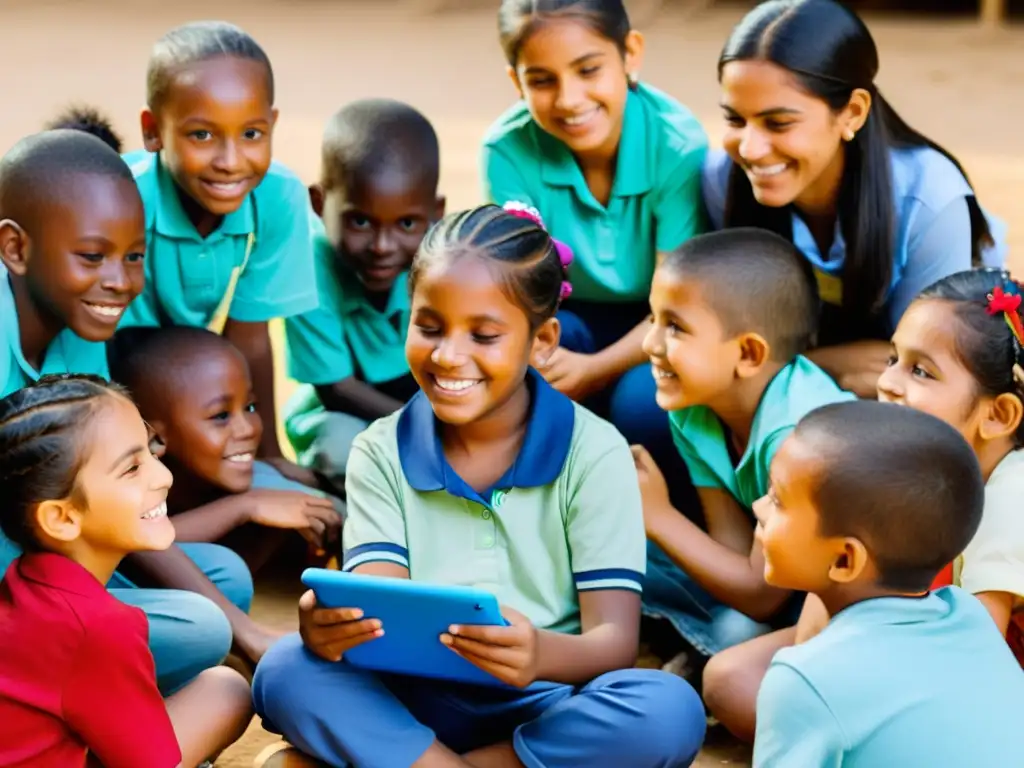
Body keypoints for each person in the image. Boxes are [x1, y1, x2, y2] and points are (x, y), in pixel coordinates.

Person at [251, 204, 706, 768]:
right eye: (429, 327)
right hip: (409, 701)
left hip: (541, 703)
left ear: (542, 342)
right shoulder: (380, 449)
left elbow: (612, 643)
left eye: (484, 334)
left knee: (668, 709)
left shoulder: (595, 452)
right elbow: (380, 611)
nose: (448, 355)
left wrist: (538, 653)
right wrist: (333, 630)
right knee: (286, 668)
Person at [0, 128, 250, 694]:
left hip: (47, 565)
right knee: (203, 626)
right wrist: (242, 635)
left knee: (223, 582)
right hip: (19, 587)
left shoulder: (80, 326)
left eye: (133, 256)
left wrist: (247, 629)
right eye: (92, 256)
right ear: (16, 248)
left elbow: (116, 495)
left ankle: (82, 689)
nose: (119, 282)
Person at [704, 0, 1007, 397]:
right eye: (735, 119)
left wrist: (800, 366)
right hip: (800, 355)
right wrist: (825, 364)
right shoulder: (721, 179)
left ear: (852, 112)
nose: (751, 148)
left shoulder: (929, 204)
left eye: (778, 123)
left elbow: (930, 370)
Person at [482, 0, 707, 487]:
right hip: (564, 317)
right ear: (516, 82)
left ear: (630, 55)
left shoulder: (678, 147)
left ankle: (666, 533)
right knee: (522, 374)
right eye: (541, 80)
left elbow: (678, 305)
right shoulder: (506, 150)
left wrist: (595, 371)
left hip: (663, 322)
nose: (569, 98)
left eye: (588, 70)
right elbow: (522, 288)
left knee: (644, 406)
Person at [752, 400, 1024, 766]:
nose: (758, 507)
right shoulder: (973, 621)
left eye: (777, 500)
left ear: (845, 559)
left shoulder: (804, 681)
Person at [0, 375, 252, 768]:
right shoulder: (101, 626)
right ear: (62, 518)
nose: (164, 476)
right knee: (228, 690)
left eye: (151, 452)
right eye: (132, 468)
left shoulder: (22, 580)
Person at [634, 228, 854, 675]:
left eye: (674, 326)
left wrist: (657, 516)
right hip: (769, 577)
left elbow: (761, 594)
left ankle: (705, 649)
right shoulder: (694, 408)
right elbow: (730, 552)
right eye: (652, 319)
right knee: (604, 541)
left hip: (829, 603)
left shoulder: (799, 436)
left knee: (738, 631)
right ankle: (703, 644)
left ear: (749, 353)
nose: (649, 344)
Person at [120, 20, 318, 485]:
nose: (230, 161)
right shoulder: (120, 197)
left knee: (298, 504)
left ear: (272, 125)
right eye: (202, 136)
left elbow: (249, 335)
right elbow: (93, 340)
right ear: (153, 132)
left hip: (190, 388)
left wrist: (270, 453)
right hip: (108, 368)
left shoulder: (278, 197)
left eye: (251, 134)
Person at [283, 99, 444, 493]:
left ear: (435, 213)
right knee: (347, 452)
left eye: (406, 223)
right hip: (341, 411)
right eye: (360, 221)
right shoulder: (307, 267)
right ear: (319, 204)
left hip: (422, 400)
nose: (382, 246)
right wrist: (437, 429)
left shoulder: (445, 259)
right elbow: (337, 390)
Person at [109, 325, 344, 577]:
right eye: (221, 416)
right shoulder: (122, 485)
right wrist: (243, 507)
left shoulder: (244, 478)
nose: (247, 429)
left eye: (250, 407)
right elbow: (135, 540)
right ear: (154, 437)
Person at [879, 269, 1024, 658]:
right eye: (892, 358)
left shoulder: (1007, 501)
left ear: (998, 415)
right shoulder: (950, 472)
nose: (887, 382)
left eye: (921, 371)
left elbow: (976, 662)